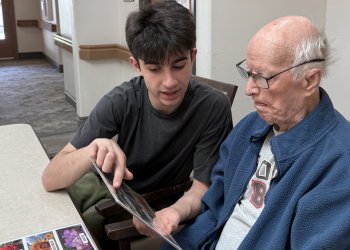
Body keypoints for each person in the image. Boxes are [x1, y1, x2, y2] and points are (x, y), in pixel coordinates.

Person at [41, 0, 233, 249]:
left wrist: (174, 212)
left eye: (179, 66)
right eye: (154, 69)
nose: (169, 82)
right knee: (51, 217)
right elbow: (49, 178)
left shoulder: (212, 106)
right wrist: (92, 149)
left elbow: (204, 187)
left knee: (78, 230)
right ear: (137, 66)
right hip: (106, 185)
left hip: (154, 199)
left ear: (192, 56)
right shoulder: (121, 100)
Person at [161, 15, 350, 249]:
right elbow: (214, 207)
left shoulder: (340, 165)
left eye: (262, 77)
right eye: (249, 73)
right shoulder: (251, 127)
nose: (249, 89)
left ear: (310, 80)